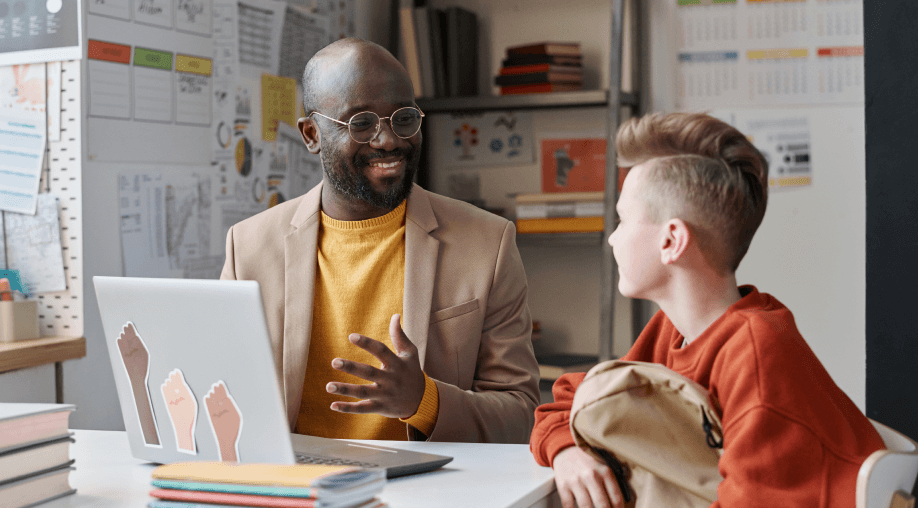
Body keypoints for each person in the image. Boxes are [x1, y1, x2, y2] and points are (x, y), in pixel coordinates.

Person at [530, 112, 885, 507]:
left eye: (623, 219)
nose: (613, 238)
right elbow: (567, 399)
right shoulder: (673, 329)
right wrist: (567, 451)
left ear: (671, 241)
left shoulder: (757, 351)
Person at [220, 38, 539, 443]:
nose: (389, 140)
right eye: (361, 123)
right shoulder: (246, 248)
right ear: (311, 134)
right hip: (296, 489)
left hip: (430, 491)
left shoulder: (487, 244)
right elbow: (223, 392)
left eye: (403, 118)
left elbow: (521, 415)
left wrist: (425, 400)